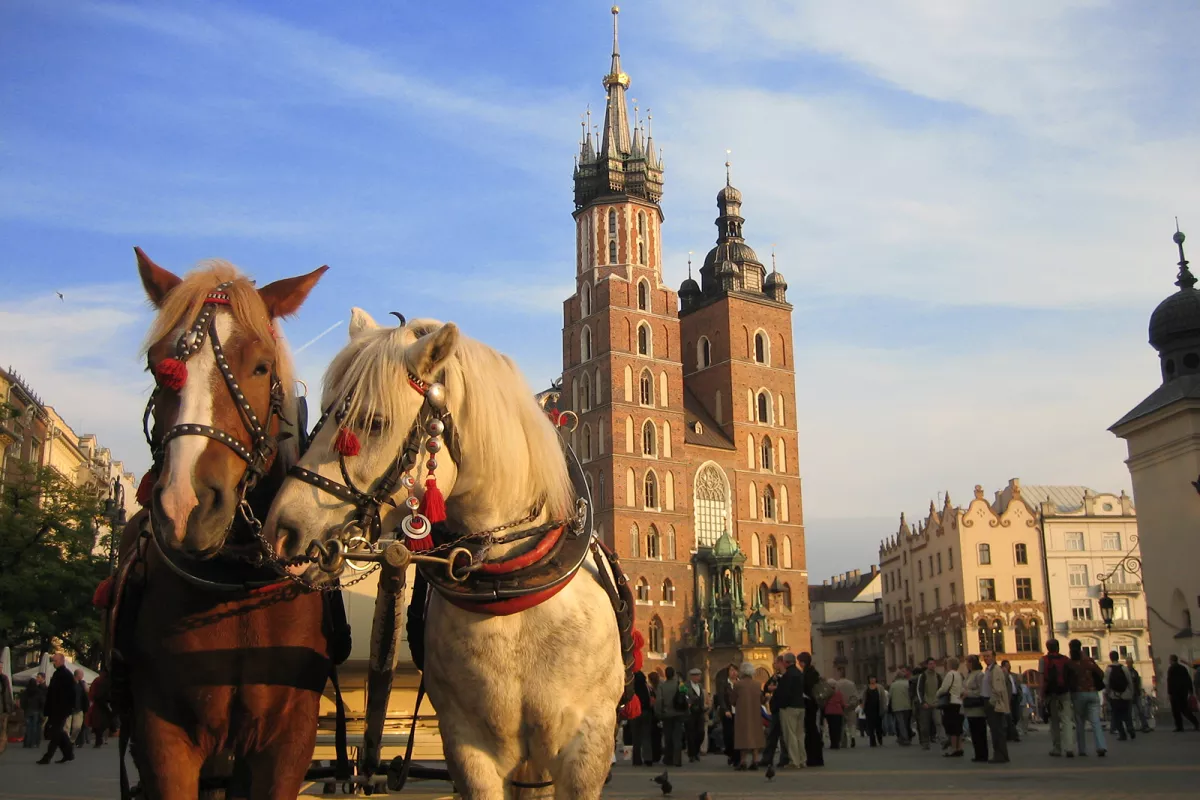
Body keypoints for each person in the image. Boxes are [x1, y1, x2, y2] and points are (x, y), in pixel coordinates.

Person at [1069, 639, 1108, 757]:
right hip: (1092, 693)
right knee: (1095, 721)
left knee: (1080, 722)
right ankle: (1101, 746)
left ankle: (1082, 749)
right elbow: (1101, 674)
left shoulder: (1071, 663)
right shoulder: (1089, 661)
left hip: (1078, 694)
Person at [37, 654, 76, 764]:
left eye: (56, 661)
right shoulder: (57, 674)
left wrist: (68, 708)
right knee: (57, 732)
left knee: (56, 733)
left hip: (61, 709)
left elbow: (71, 695)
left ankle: (48, 757)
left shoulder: (66, 675)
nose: (54, 663)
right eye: (53, 661)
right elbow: (52, 694)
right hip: (56, 709)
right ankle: (68, 753)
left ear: (62, 661)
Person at [1040, 639, 1076, 757]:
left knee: (1054, 722)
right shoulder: (1065, 659)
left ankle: (1057, 748)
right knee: (1067, 720)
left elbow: (1042, 678)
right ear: (1058, 647)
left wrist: (1042, 695)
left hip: (1051, 694)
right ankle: (1069, 747)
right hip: (1065, 692)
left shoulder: (1044, 660)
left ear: (1047, 648)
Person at [775, 653, 806, 769]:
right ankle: (802, 759)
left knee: (790, 735)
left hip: (789, 707)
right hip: (801, 706)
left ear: (786, 662)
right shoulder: (799, 673)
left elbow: (785, 693)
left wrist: (781, 704)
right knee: (800, 734)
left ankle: (794, 761)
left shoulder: (787, 675)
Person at [759, 656, 790, 768]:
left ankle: (784, 758)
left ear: (781, 663)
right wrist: (769, 687)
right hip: (775, 708)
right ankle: (767, 758)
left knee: (783, 735)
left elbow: (785, 689)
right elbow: (767, 687)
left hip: (784, 708)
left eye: (775, 663)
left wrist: (775, 688)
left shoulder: (787, 675)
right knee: (772, 735)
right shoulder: (775, 675)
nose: (774, 665)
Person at [733, 662, 765, 769]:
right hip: (755, 713)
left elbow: (732, 700)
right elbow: (762, 699)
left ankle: (743, 761)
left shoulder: (738, 684)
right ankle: (755, 760)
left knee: (743, 736)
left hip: (742, 714)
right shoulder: (757, 684)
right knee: (755, 735)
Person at [654, 666, 685, 768]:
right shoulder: (680, 684)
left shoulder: (662, 686)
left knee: (668, 737)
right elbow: (686, 696)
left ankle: (669, 759)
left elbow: (659, 701)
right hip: (679, 713)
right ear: (674, 674)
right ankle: (678, 760)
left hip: (667, 714)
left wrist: (658, 713)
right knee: (677, 737)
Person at [983, 651, 1011, 763]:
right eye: (984, 656)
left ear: (994, 657)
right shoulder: (989, 670)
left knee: (997, 730)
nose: (986, 658)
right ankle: (999, 753)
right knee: (995, 730)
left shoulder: (996, 670)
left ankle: (1001, 755)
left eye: (988, 656)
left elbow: (998, 688)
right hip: (989, 701)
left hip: (994, 704)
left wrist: (992, 702)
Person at [799, 652, 824, 767]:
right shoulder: (812, 672)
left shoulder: (809, 673)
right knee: (812, 730)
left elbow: (807, 687)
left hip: (810, 704)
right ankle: (815, 757)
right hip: (812, 704)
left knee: (811, 731)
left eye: (800, 662)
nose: (799, 664)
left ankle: (814, 758)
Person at [963, 655, 989, 762]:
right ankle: (978, 753)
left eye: (968, 662)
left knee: (980, 731)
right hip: (969, 707)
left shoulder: (979, 675)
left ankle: (983, 754)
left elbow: (981, 691)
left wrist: (968, 693)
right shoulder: (969, 674)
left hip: (977, 706)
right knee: (973, 731)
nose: (966, 664)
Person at [1104, 651, 1135, 741]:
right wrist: (1131, 692)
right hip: (1126, 695)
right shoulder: (1124, 668)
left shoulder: (1108, 669)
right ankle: (1130, 728)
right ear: (1118, 657)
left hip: (1114, 696)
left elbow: (1106, 683)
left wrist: (1107, 694)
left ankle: (1122, 734)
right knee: (1127, 714)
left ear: (1110, 658)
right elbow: (1130, 681)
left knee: (1117, 716)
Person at [938, 656, 965, 758]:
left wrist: (937, 694)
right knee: (958, 726)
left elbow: (944, 688)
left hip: (951, 702)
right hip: (959, 702)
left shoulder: (950, 674)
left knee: (951, 726)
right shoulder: (959, 674)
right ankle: (959, 747)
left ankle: (953, 748)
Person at [1166, 654, 1200, 732]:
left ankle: (1179, 726)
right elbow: (1188, 679)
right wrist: (1190, 690)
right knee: (1185, 709)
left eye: (1169, 660)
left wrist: (1169, 693)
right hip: (1183, 692)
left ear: (1171, 660)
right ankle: (1195, 722)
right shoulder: (1183, 668)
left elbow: (1170, 682)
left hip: (1175, 693)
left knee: (1175, 710)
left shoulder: (1171, 669)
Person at [713, 664, 738, 767]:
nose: (733, 672)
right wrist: (725, 710)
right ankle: (730, 753)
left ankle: (736, 756)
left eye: (735, 670)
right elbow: (721, 698)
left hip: (739, 712)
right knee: (728, 735)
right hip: (728, 712)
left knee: (737, 735)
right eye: (731, 670)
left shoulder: (740, 683)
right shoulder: (724, 684)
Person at [684, 668, 709, 762]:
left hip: (700, 713)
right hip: (690, 713)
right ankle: (692, 754)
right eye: (697, 675)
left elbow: (702, 698)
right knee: (690, 735)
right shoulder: (685, 686)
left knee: (701, 733)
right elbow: (684, 697)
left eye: (699, 675)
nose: (699, 677)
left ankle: (696, 750)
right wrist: (689, 702)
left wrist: (704, 707)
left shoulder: (700, 686)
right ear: (692, 676)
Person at [914, 659, 940, 749]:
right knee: (924, 725)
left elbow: (941, 689)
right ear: (927, 665)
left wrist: (939, 701)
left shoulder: (938, 676)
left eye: (933, 664)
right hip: (925, 704)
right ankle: (925, 742)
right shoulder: (923, 675)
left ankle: (941, 739)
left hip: (936, 703)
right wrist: (922, 702)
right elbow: (919, 690)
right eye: (930, 664)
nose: (932, 665)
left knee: (938, 722)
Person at [630, 672, 654, 766]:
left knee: (636, 737)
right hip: (646, 712)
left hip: (634, 713)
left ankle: (637, 759)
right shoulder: (647, 687)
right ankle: (648, 758)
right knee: (646, 736)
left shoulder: (632, 688)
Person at [1124, 657, 1151, 733]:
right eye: (1128, 662)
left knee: (1140, 710)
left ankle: (1144, 725)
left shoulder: (1134, 672)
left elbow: (1137, 682)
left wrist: (1139, 691)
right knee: (1130, 711)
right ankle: (1131, 726)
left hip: (1135, 693)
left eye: (1130, 662)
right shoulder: (1126, 672)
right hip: (1129, 694)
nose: (1130, 664)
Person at [834, 669, 858, 748]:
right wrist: (852, 703)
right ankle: (853, 737)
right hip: (851, 706)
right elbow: (855, 695)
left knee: (843, 725)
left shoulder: (837, 684)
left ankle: (844, 740)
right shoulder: (851, 683)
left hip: (841, 707)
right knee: (852, 724)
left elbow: (836, 696)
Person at [888, 667, 913, 746]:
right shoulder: (908, 683)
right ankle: (906, 737)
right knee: (906, 723)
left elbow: (889, 696)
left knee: (900, 723)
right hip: (907, 706)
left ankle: (904, 738)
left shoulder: (893, 685)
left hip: (897, 707)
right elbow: (911, 694)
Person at [22, 673, 47, 749]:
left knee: (28, 727)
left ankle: (27, 743)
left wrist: (24, 708)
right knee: (35, 727)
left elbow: (22, 702)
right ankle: (33, 743)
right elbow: (42, 701)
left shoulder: (26, 692)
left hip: (28, 711)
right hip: (36, 711)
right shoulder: (38, 691)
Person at [862, 675, 886, 747]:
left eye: (873, 678)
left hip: (878, 709)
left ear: (876, 679)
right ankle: (872, 741)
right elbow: (864, 698)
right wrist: (863, 707)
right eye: (870, 679)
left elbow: (883, 698)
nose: (872, 680)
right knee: (870, 726)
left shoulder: (880, 687)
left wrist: (884, 707)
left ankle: (880, 739)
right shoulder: (866, 688)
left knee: (878, 725)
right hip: (869, 709)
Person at [1000, 660, 1020, 742]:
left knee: (1016, 715)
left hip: (1015, 696)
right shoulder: (1003, 675)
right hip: (1007, 697)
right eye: (1007, 665)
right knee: (1009, 717)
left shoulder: (1013, 675)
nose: (1008, 667)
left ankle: (1011, 733)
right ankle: (1013, 734)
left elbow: (1017, 685)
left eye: (1009, 665)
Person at [824, 679, 846, 749]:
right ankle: (837, 742)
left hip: (829, 711)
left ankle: (833, 743)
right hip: (838, 712)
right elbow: (842, 703)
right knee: (838, 728)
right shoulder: (838, 693)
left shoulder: (826, 692)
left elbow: (824, 702)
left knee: (831, 728)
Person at [647, 670, 663, 764]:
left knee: (653, 736)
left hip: (654, 713)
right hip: (659, 713)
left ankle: (655, 755)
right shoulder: (660, 685)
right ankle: (657, 755)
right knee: (658, 736)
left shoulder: (652, 688)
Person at [71, 669, 89, 746]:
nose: (83, 676)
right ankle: (67, 742)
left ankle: (72, 740)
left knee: (77, 727)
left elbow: (85, 695)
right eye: (82, 674)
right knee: (67, 727)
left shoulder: (82, 684)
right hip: (69, 708)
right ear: (78, 675)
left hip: (79, 708)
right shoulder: (69, 683)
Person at [0, 667, 13, 756]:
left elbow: (7, 694)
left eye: (1, 667)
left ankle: (1, 749)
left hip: (2, 711)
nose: (1, 669)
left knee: (3, 731)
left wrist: (8, 709)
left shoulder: (4, 679)